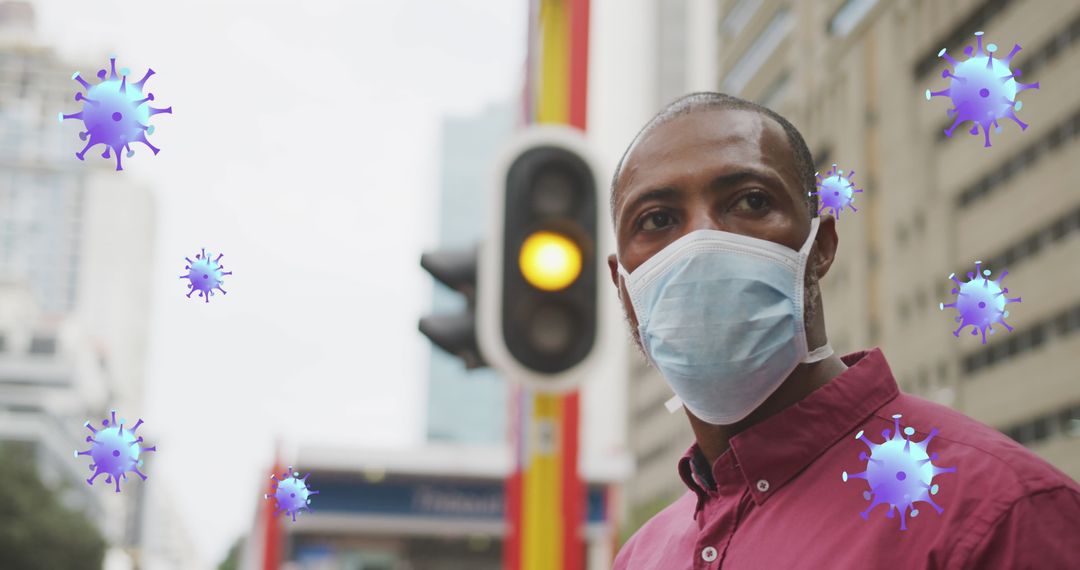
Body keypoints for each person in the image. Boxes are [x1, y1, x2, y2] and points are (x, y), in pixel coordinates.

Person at [607, 92, 1080, 569]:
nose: (700, 244)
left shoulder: (999, 511)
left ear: (820, 248)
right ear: (623, 286)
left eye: (751, 201)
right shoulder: (640, 556)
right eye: (658, 220)